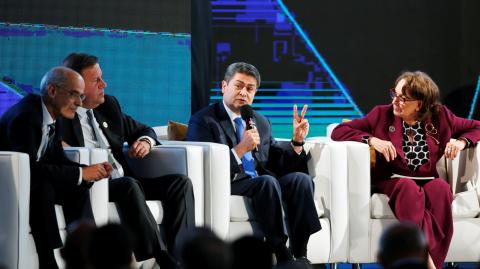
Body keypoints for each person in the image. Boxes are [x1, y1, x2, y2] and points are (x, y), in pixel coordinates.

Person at [331, 71, 480, 269]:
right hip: (393, 178)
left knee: (441, 189)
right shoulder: (381, 115)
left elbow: (476, 127)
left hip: (428, 177)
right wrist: (372, 140)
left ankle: (429, 262)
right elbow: (338, 131)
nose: (396, 101)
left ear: (420, 103)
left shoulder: (441, 116)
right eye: (395, 94)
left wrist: (462, 142)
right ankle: (428, 263)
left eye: (403, 98)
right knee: (408, 188)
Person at [60, 53, 195, 268]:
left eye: (102, 77)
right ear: (76, 85)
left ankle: (180, 257)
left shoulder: (108, 106)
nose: (104, 84)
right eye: (96, 80)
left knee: (180, 183)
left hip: (126, 180)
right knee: (128, 185)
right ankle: (159, 257)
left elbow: (144, 129)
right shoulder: (63, 115)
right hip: (96, 183)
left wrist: (145, 142)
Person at [187, 62, 321, 263]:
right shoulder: (204, 120)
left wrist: (297, 141)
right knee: (266, 182)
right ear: (224, 87)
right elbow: (205, 164)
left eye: (249, 89)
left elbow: (275, 160)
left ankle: (301, 252)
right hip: (230, 181)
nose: (243, 93)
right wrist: (241, 148)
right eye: (238, 86)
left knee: (300, 180)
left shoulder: (259, 120)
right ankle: (280, 250)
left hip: (260, 181)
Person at [0, 67, 109, 269]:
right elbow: (30, 169)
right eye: (74, 94)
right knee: (44, 187)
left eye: (81, 96)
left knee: (77, 188)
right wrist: (80, 173)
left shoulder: (53, 114)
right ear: (52, 90)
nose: (79, 103)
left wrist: (88, 171)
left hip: (30, 181)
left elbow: (56, 159)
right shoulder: (26, 118)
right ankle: (47, 260)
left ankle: (87, 256)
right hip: (9, 185)